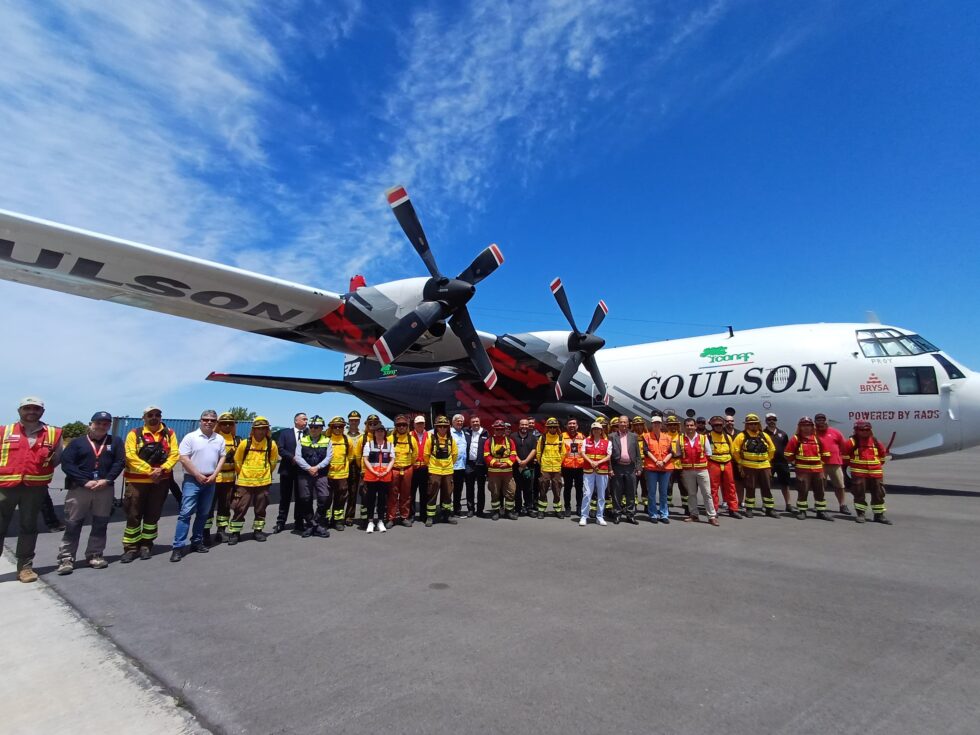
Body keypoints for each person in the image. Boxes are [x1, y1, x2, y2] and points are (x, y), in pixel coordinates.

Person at [0, 397, 63, 582]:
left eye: (36, 409)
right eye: (27, 408)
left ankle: (25, 567)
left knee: (28, 527)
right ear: (19, 410)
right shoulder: (4, 431)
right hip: (5, 487)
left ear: (42, 412)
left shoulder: (53, 433)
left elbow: (57, 459)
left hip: (34, 489)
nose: (31, 411)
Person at [56, 411, 124, 574]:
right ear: (90, 424)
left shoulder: (115, 441)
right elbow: (67, 464)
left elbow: (119, 462)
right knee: (73, 523)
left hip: (104, 488)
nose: (101, 426)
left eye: (105, 423)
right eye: (98, 423)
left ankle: (95, 554)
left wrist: (107, 480)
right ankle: (66, 558)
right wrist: (84, 481)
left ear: (109, 426)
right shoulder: (77, 443)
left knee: (100, 523)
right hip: (80, 489)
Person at [121, 405, 179, 562]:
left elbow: (174, 454)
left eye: (157, 415)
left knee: (153, 515)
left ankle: (147, 545)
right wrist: (150, 470)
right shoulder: (134, 434)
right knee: (133, 515)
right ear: (144, 417)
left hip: (160, 482)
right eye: (150, 415)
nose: (154, 417)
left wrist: (162, 470)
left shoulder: (169, 434)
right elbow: (130, 455)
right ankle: (131, 548)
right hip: (137, 482)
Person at [171, 410, 227, 562]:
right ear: (200, 421)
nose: (209, 422)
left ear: (216, 423)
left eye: (212, 420)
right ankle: (178, 547)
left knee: (203, 513)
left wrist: (214, 475)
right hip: (192, 480)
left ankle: (196, 541)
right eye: (206, 419)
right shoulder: (191, 437)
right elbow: (183, 458)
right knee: (185, 513)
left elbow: (222, 457)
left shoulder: (219, 438)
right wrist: (197, 474)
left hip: (210, 480)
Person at [229, 417, 279, 544]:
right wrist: (244, 473)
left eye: (264, 429)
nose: (261, 431)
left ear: (267, 430)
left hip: (263, 483)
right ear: (253, 430)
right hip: (245, 482)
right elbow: (237, 460)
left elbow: (273, 462)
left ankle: (258, 531)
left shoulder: (271, 444)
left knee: (261, 509)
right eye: (258, 429)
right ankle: (235, 533)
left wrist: (266, 473)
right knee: (240, 508)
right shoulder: (245, 443)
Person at [784, 417, 833, 521]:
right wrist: (795, 463)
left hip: (817, 471)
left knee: (820, 492)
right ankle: (802, 511)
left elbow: (826, 454)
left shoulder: (817, 439)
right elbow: (788, 454)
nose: (806, 428)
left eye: (809, 425)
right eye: (804, 425)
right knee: (803, 491)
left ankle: (821, 512)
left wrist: (821, 464)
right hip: (802, 471)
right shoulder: (796, 439)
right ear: (800, 427)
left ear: (812, 427)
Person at [844, 421, 891, 524]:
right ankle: (861, 514)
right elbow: (845, 456)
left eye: (867, 430)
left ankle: (879, 515)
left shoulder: (875, 441)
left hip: (876, 473)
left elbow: (883, 455)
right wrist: (855, 465)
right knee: (859, 494)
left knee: (878, 494)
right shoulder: (852, 442)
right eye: (862, 430)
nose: (865, 432)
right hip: (859, 474)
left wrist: (876, 465)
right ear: (856, 430)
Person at [732, 413, 778, 518]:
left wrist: (767, 460)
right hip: (749, 467)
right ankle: (749, 509)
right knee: (750, 488)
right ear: (747, 425)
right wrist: (740, 462)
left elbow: (772, 449)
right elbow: (735, 451)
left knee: (766, 487)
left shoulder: (764, 435)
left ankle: (769, 509)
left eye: (755, 424)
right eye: (750, 424)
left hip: (764, 466)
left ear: (758, 425)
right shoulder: (741, 436)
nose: (753, 426)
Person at [294, 415, 333, 538]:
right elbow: (298, 457)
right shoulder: (303, 440)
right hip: (305, 474)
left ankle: (314, 523)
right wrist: (309, 468)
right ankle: (313, 525)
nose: (313, 429)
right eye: (311, 427)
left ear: (322, 428)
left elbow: (329, 457)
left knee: (324, 498)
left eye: (316, 427)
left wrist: (317, 467)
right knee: (305, 499)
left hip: (320, 474)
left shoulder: (327, 441)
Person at [204, 412, 240, 545]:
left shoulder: (237, 440)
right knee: (208, 508)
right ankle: (205, 533)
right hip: (213, 479)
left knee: (224, 508)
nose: (227, 426)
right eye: (223, 423)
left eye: (230, 423)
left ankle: (221, 531)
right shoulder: (212, 438)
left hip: (229, 480)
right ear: (219, 424)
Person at [676, 418, 718, 526]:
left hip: (702, 470)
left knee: (707, 494)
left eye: (691, 425)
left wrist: (703, 466)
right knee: (691, 494)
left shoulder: (703, 438)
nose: (689, 428)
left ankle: (711, 516)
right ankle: (694, 514)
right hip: (688, 471)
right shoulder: (680, 439)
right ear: (684, 427)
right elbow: (678, 454)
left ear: (695, 426)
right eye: (687, 426)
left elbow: (709, 453)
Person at [274, 412, 307, 534]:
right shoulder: (285, 433)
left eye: (306, 419)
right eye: (303, 419)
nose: (306, 421)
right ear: (296, 421)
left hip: (302, 471)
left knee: (300, 497)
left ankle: (299, 522)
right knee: (285, 497)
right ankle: (281, 522)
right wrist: (292, 457)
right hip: (287, 469)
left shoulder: (308, 434)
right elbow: (280, 448)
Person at [423, 416, 458, 527]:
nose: (442, 428)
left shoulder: (451, 440)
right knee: (432, 494)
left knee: (447, 494)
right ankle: (430, 517)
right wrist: (432, 466)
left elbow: (455, 455)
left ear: (448, 428)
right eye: (440, 426)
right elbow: (426, 455)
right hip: (434, 471)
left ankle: (447, 515)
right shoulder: (431, 439)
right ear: (436, 428)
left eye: (445, 426)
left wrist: (449, 465)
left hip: (448, 471)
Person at [815, 413, 852, 515]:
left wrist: (841, 458)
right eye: (818, 420)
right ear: (815, 422)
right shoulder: (813, 433)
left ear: (826, 421)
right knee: (820, 486)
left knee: (840, 486)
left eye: (823, 420)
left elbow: (843, 447)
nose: (821, 422)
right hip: (820, 464)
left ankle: (842, 505)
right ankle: (819, 504)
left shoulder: (836, 432)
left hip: (835, 463)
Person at [362, 424, 395, 533]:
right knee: (370, 499)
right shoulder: (368, 444)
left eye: (382, 431)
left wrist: (386, 471)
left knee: (382, 499)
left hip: (384, 476)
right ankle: (370, 521)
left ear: (385, 433)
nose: (380, 433)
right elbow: (365, 459)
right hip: (372, 476)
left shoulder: (390, 445)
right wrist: (374, 471)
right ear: (374, 433)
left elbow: (392, 460)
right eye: (377, 431)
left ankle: (380, 521)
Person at [387, 415, 419, 527]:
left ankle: (404, 517)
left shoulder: (412, 439)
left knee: (406, 494)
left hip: (407, 469)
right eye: (399, 425)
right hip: (394, 469)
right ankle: (391, 518)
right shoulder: (390, 439)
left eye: (404, 425)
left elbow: (415, 455)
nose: (401, 427)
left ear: (407, 426)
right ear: (396, 426)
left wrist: (408, 465)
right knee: (392, 494)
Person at [707, 416, 741, 519]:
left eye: (720, 425)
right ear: (712, 426)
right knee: (713, 487)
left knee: (730, 487)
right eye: (716, 425)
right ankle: (714, 510)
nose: (718, 427)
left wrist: (739, 464)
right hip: (713, 463)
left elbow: (732, 451)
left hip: (727, 463)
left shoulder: (727, 437)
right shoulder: (707, 437)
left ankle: (733, 509)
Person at [609, 416, 641, 525]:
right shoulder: (611, 436)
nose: (623, 424)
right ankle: (617, 514)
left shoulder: (634, 436)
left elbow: (637, 454)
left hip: (630, 467)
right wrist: (610, 469)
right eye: (621, 422)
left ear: (628, 424)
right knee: (616, 492)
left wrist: (639, 467)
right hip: (617, 467)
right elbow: (608, 455)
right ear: (618, 424)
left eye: (625, 422)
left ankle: (630, 514)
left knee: (631, 492)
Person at [642, 415, 673, 524]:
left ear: (661, 424)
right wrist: (656, 461)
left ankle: (664, 514)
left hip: (665, 467)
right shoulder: (646, 436)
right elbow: (646, 451)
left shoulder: (668, 437)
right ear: (652, 424)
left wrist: (663, 462)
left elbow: (671, 452)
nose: (656, 425)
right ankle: (653, 514)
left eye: (658, 423)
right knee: (652, 492)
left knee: (663, 492)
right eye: (654, 423)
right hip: (651, 468)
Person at [484, 420, 518, 520]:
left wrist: (507, 463)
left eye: (501, 429)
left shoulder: (509, 441)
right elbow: (486, 456)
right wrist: (497, 464)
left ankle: (509, 512)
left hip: (507, 473)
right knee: (495, 493)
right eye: (497, 429)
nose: (499, 431)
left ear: (504, 430)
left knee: (511, 492)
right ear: (494, 429)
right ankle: (496, 512)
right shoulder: (489, 441)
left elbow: (513, 454)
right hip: (494, 473)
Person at [580, 421, 611, 526]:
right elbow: (583, 453)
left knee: (601, 495)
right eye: (594, 429)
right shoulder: (586, 441)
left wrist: (598, 462)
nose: (596, 431)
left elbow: (608, 456)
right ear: (592, 431)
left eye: (598, 429)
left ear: (601, 431)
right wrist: (591, 462)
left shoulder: (607, 442)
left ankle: (600, 516)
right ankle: (584, 516)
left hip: (602, 470)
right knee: (587, 493)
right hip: (588, 470)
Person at [325, 416, 353, 531]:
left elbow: (350, 457)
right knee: (326, 499)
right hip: (327, 475)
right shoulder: (326, 440)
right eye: (335, 426)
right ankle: (325, 520)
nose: (338, 428)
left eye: (340, 426)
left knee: (341, 499)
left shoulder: (347, 441)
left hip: (342, 475)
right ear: (331, 427)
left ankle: (337, 521)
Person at [536, 418, 566, 518]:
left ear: (557, 427)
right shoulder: (543, 438)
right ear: (547, 428)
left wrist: (558, 463)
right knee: (543, 489)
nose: (552, 429)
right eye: (550, 427)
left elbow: (563, 453)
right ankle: (541, 510)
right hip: (545, 468)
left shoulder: (561, 438)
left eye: (554, 427)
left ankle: (558, 510)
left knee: (557, 490)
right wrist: (542, 464)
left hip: (557, 469)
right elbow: (539, 453)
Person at [765, 413, 793, 513]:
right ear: (766, 421)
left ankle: (788, 504)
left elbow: (787, 447)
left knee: (785, 484)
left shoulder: (783, 434)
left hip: (782, 462)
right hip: (769, 463)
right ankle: (767, 504)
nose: (771, 421)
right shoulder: (763, 434)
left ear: (776, 420)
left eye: (773, 419)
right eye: (769, 419)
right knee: (767, 485)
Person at [560, 419, 586, 519]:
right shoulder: (562, 436)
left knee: (579, 489)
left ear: (577, 426)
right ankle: (567, 508)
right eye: (570, 424)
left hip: (579, 467)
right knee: (567, 488)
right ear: (567, 426)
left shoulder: (582, 437)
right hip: (567, 467)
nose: (572, 425)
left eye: (574, 424)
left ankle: (579, 507)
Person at [464, 415, 489, 517]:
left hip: (481, 464)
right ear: (470, 423)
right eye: (473, 422)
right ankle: (470, 509)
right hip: (469, 464)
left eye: (477, 421)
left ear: (480, 422)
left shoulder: (485, 433)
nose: (475, 423)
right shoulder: (466, 432)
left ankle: (480, 510)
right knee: (469, 488)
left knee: (481, 488)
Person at [512, 419, 537, 516]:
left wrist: (525, 461)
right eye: (522, 424)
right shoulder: (513, 436)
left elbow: (534, 450)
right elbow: (512, 450)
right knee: (517, 489)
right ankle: (518, 508)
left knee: (529, 488)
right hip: (516, 467)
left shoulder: (533, 437)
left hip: (529, 466)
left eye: (526, 425)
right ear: (519, 425)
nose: (524, 427)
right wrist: (519, 461)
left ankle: (529, 508)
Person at [345, 410, 364, 527]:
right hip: (345, 465)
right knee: (341, 492)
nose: (354, 422)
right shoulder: (342, 434)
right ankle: (336, 516)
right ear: (349, 421)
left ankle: (349, 516)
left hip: (358, 465)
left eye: (356, 420)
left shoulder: (363, 434)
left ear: (359, 421)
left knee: (353, 492)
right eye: (352, 420)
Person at [664, 415, 686, 513]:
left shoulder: (682, 436)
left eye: (674, 425)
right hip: (668, 465)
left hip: (681, 465)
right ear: (667, 426)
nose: (672, 427)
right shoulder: (664, 436)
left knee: (684, 486)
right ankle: (667, 506)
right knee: (668, 486)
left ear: (677, 426)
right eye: (670, 425)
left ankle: (686, 506)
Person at [411, 415, 430, 522]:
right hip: (413, 468)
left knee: (424, 493)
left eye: (422, 423)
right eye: (418, 423)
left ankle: (423, 515)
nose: (420, 425)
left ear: (424, 424)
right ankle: (411, 514)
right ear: (414, 424)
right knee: (411, 493)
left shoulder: (430, 436)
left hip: (425, 468)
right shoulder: (409, 435)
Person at [449, 414, 468, 516]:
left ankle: (457, 509)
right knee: (448, 490)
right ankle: (446, 510)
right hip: (451, 466)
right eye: (457, 421)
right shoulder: (449, 433)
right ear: (453, 422)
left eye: (461, 421)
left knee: (458, 489)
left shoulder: (463, 433)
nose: (459, 422)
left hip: (461, 466)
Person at [631, 417, 648, 512]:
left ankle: (647, 505)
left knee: (646, 487)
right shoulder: (631, 436)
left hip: (646, 465)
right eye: (636, 425)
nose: (638, 427)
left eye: (640, 424)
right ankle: (634, 505)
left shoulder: (648, 436)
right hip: (634, 465)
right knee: (633, 486)